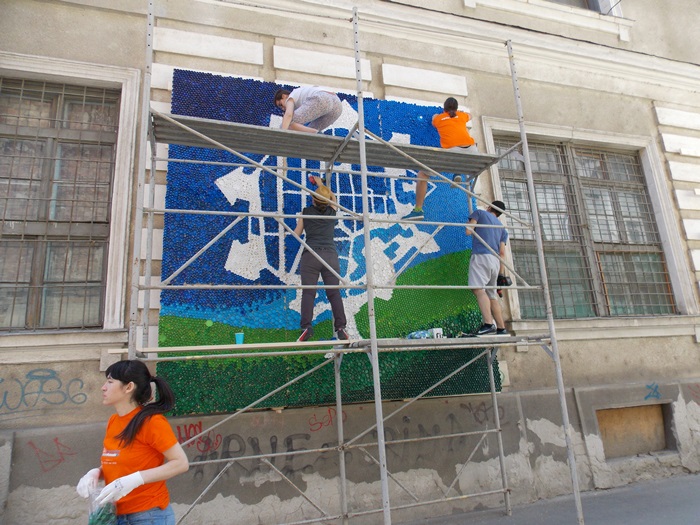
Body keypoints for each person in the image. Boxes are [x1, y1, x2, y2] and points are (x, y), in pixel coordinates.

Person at [76, 360, 189, 525]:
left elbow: (181, 463)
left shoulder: (152, 422)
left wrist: (136, 479)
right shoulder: (114, 421)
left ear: (128, 387)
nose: (103, 387)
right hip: (115, 514)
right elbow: (119, 462)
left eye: (110, 382)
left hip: (148, 515)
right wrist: (96, 473)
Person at [403, 97, 479, 221]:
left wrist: (439, 115)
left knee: (422, 174)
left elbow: (433, 119)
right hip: (472, 151)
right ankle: (457, 172)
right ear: (456, 108)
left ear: (444, 108)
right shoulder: (462, 116)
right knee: (459, 156)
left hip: (452, 151)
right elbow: (470, 115)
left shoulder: (439, 118)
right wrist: (460, 114)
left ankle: (418, 210)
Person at [294, 184, 349, 342]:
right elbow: (334, 199)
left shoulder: (306, 212)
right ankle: (341, 327)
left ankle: (306, 327)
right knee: (334, 293)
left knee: (309, 293)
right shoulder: (332, 211)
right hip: (330, 256)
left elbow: (296, 234)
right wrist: (321, 184)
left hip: (311, 255)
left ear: (313, 198)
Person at [466, 200, 510, 336]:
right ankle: (501, 328)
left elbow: (468, 231)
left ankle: (488, 324)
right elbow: (502, 253)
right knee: (492, 295)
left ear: (490, 207)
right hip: (495, 262)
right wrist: (501, 274)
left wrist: (469, 222)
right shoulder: (502, 229)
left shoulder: (480, 213)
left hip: (481, 256)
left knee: (478, 289)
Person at [274, 86, 343, 133]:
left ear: (284, 96)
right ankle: (315, 132)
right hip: (337, 105)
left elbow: (288, 115)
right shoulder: (302, 94)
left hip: (323, 98)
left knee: (287, 123)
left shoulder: (291, 96)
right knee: (311, 133)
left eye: (280, 104)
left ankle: (314, 132)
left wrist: (282, 132)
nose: (283, 108)